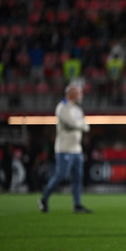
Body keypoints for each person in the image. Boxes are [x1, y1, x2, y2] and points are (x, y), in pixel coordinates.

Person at [38, 84, 93, 214]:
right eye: (79, 93)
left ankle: (77, 205)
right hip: (64, 149)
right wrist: (81, 125)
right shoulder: (62, 107)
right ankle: (44, 199)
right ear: (71, 95)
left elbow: (86, 126)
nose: (81, 96)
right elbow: (73, 124)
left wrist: (81, 125)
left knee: (78, 178)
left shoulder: (77, 109)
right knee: (61, 175)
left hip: (77, 149)